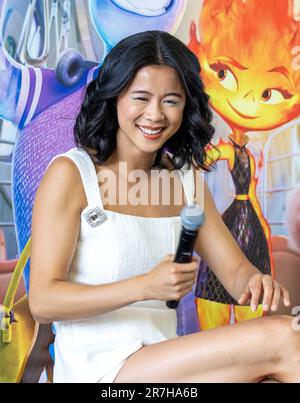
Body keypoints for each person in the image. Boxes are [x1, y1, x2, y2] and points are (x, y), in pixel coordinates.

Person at [28, 30, 299, 383]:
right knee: (285, 338)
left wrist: (256, 283)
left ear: (187, 105)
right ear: (114, 98)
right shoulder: (72, 174)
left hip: (163, 366)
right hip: (100, 374)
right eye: (141, 97)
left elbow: (235, 273)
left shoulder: (185, 180)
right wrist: (145, 286)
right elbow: (43, 301)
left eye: (171, 100)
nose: (155, 115)